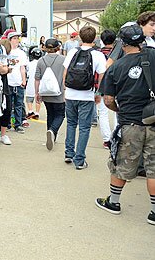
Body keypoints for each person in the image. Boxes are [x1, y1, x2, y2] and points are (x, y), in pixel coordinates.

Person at [95, 24, 155, 226]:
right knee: (153, 167)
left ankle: (113, 202)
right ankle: (154, 212)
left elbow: (108, 99)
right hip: (153, 120)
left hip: (130, 122)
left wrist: (119, 111)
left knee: (122, 164)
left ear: (123, 42)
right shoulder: (154, 57)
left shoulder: (116, 67)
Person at [63, 25, 106, 169]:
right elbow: (101, 76)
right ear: (94, 38)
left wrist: (65, 89)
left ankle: (69, 153)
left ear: (80, 37)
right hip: (87, 95)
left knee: (71, 123)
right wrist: (98, 93)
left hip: (70, 93)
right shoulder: (98, 55)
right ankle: (79, 160)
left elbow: (66, 72)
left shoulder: (72, 52)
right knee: (84, 127)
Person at [34, 38, 66, 151]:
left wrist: (37, 93)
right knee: (60, 114)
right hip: (59, 93)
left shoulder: (41, 60)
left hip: (45, 93)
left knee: (50, 114)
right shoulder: (63, 60)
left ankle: (52, 136)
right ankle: (52, 131)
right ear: (58, 47)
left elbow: (37, 78)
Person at [95, 29, 116, 148]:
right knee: (117, 112)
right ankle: (118, 136)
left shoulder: (97, 53)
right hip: (117, 86)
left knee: (103, 113)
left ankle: (107, 139)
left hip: (102, 86)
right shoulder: (119, 53)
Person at [7, 31, 28, 133]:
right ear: (10, 40)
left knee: (18, 104)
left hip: (18, 82)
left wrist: (23, 80)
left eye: (17, 38)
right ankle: (7, 123)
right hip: (8, 82)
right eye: (14, 38)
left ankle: (18, 124)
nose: (16, 40)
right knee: (7, 105)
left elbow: (22, 68)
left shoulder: (21, 53)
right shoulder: (6, 51)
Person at [0, 39, 13, 145]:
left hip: (5, 86)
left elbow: (4, 69)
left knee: (7, 109)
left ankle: (3, 134)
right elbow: (1, 69)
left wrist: (5, 69)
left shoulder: (2, 53)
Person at [26, 46, 43, 120]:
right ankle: (37, 112)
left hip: (30, 82)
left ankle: (30, 111)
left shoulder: (29, 64)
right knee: (38, 97)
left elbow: (27, 73)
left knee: (29, 98)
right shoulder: (42, 64)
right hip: (39, 82)